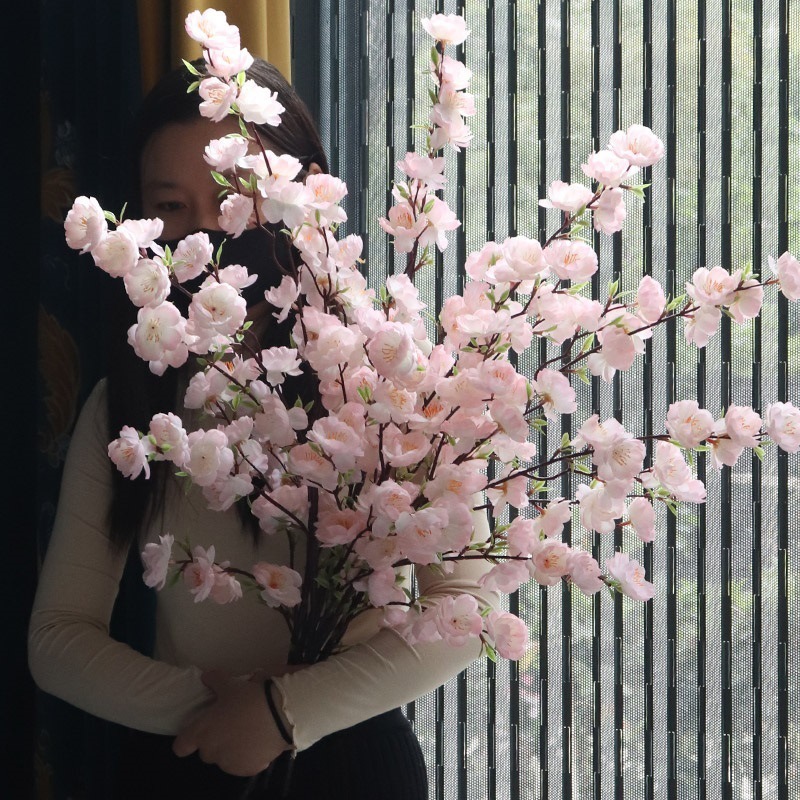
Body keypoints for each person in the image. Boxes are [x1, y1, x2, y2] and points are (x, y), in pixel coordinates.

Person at [28, 56, 495, 800]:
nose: (208, 235)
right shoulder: (125, 410)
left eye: (229, 198)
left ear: (297, 192)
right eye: (171, 208)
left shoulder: (388, 382)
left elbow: (467, 612)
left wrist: (285, 714)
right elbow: (56, 640)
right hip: (190, 761)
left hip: (357, 768)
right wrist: (218, 712)